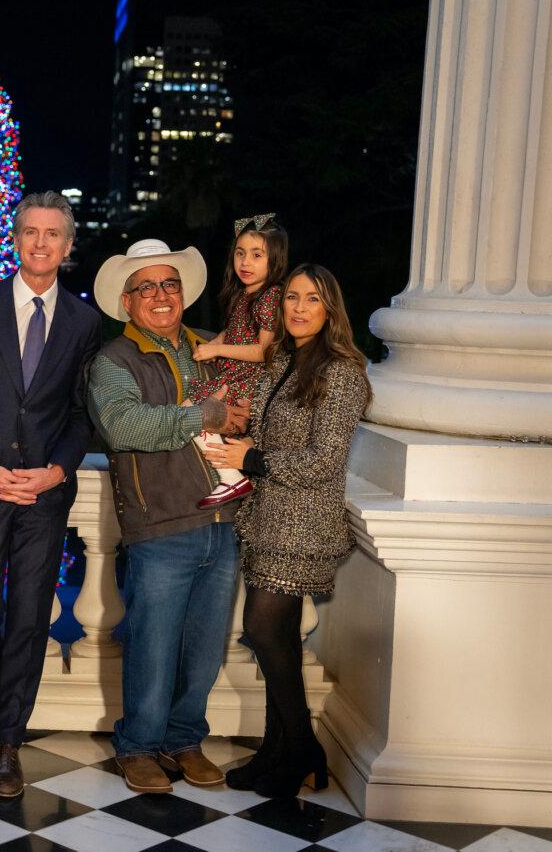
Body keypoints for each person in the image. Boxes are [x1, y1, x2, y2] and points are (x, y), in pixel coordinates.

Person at [87, 238, 250, 795]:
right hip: (159, 525)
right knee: (153, 646)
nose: (160, 294)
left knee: (205, 647)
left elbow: (247, 411)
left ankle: (184, 739)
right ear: (128, 302)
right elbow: (126, 426)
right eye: (146, 287)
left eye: (169, 284)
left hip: (223, 524)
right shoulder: (114, 361)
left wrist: (240, 423)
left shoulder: (211, 346)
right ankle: (138, 747)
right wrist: (207, 413)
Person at [202, 264, 370, 798]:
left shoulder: (342, 371)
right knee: (276, 642)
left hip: (302, 523)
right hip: (268, 517)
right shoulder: (282, 360)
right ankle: (279, 750)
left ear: (330, 309)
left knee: (265, 630)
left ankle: (300, 746)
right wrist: (236, 429)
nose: (298, 308)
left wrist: (250, 457)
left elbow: (323, 460)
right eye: (292, 297)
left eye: (312, 299)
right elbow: (271, 432)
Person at [0, 191, 102, 797]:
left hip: (44, 493)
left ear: (68, 248)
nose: (41, 243)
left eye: (54, 234)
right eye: (31, 232)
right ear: (15, 240)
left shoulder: (85, 321)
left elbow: (82, 414)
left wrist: (56, 471)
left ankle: (7, 741)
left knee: (28, 616)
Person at [188, 214, 288, 507]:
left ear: (275, 260)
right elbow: (234, 331)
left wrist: (216, 351)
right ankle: (231, 476)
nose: (246, 262)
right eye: (240, 253)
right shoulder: (243, 295)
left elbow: (262, 351)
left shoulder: (271, 296)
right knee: (189, 413)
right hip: (232, 376)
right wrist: (214, 343)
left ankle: (231, 477)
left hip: (248, 380)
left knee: (192, 413)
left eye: (257, 255)